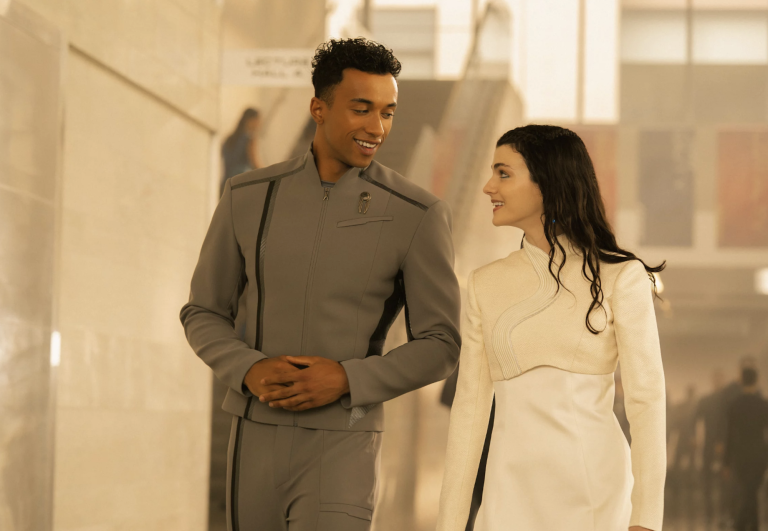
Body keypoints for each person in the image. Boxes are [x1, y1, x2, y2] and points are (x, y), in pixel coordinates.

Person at [180, 38, 461, 530]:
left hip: (343, 442)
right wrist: (247, 368)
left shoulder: (418, 214)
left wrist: (349, 379)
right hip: (252, 435)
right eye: (361, 108)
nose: (377, 128)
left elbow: (441, 343)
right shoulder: (246, 195)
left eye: (388, 112)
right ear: (318, 107)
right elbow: (202, 311)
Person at [436, 125, 667, 531]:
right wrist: (450, 524)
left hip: (595, 494)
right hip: (507, 497)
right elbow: (469, 414)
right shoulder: (485, 284)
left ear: (547, 181)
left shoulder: (620, 277)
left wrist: (646, 519)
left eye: (504, 173)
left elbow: (647, 403)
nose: (489, 186)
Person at [724, 366, 768, 531]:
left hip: (740, 456)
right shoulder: (764, 405)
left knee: (747, 492)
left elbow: (729, 436)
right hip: (760, 456)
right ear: (756, 380)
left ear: (741, 381)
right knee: (752, 492)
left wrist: (726, 462)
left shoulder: (734, 405)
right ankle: (747, 526)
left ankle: (740, 525)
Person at [220, 107, 262, 196]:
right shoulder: (249, 140)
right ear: (250, 120)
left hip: (225, 185)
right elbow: (255, 164)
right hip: (242, 185)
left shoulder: (228, 140)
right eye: (258, 121)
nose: (259, 125)